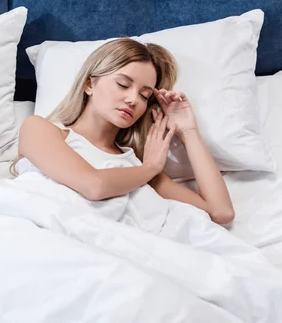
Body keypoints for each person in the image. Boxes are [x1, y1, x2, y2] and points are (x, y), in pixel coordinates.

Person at [15, 38, 235, 227]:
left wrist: (188, 130)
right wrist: (150, 168)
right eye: (123, 84)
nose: (132, 100)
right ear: (89, 85)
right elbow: (94, 186)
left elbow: (220, 212)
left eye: (144, 95)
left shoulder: (137, 167)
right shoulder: (39, 129)